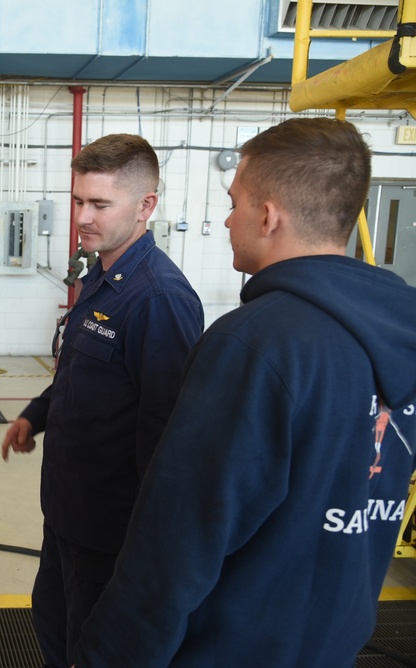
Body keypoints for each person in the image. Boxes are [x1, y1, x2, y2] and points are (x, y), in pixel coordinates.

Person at [73, 117, 416, 667]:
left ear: (268, 216)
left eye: (234, 203)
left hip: (229, 647)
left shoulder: (255, 344)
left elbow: (178, 542)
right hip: (329, 642)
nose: (228, 220)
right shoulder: (400, 336)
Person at [1, 133, 204, 668]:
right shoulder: (99, 277)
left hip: (111, 530)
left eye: (99, 204)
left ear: (146, 206)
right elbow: (81, 371)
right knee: (53, 624)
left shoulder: (159, 299)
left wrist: (147, 548)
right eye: (78, 201)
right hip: (67, 510)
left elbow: (165, 434)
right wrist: (35, 416)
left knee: (93, 647)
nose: (82, 217)